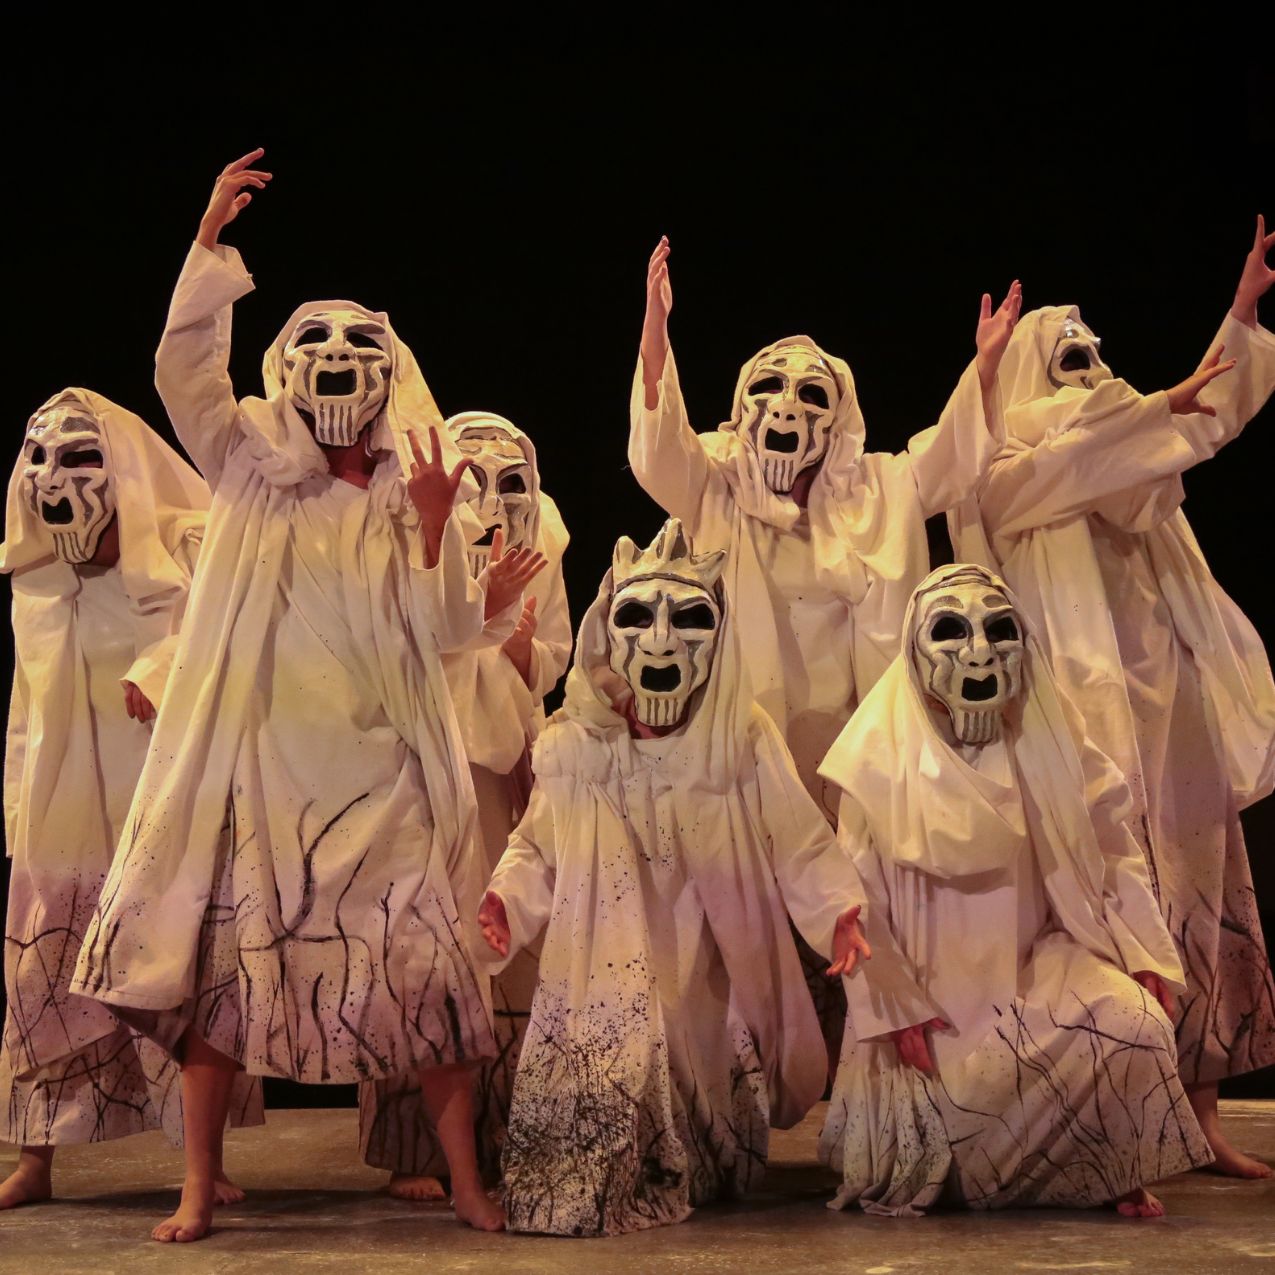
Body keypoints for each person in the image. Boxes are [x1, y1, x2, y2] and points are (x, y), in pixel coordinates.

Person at [70, 150, 543, 1241]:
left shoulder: (404, 495)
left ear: (389, 375)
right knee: (226, 994)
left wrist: (434, 528)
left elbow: (448, 638)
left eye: (358, 343)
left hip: (381, 780)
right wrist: (206, 244)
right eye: (314, 341)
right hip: (266, 777)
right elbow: (183, 373)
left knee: (427, 987)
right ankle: (199, 1183)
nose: (336, 357)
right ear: (285, 367)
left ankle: (467, 1181)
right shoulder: (247, 462)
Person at [949, 216, 1275, 1177]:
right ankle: (1123, 1120)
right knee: (1103, 908)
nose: (1092, 375)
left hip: (1168, 703)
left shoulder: (1132, 459)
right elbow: (1102, 448)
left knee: (1199, 884)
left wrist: (1239, 316)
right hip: (1073, 723)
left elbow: (1194, 421)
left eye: (1095, 357)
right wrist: (1160, 405)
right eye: (1068, 362)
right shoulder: (1005, 475)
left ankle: (1202, 1116)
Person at [478, 518, 870, 1235]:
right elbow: (538, 844)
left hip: (708, 954)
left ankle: (701, 1156)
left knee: (703, 1073)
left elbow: (798, 839)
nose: (660, 640)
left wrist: (838, 908)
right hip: (604, 961)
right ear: (608, 633)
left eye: (687, 619)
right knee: (617, 1073)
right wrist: (506, 898)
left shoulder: (739, 736)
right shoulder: (575, 741)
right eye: (637, 617)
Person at [819, 563, 1212, 1219]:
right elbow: (853, 901)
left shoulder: (1052, 740)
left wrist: (1143, 952)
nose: (977, 652)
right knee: (945, 1144)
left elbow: (1112, 850)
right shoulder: (874, 758)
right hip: (932, 993)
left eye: (997, 630)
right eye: (951, 631)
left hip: (1034, 972)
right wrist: (891, 1006)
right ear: (916, 648)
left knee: (1133, 1024)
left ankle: (1107, 1163)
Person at [1, 388, 262, 1210]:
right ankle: (37, 1158)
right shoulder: (40, 573)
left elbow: (224, 630)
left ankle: (203, 1158)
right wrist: (16, 809)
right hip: (67, 808)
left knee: (171, 972)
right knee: (44, 961)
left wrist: (156, 670)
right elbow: (25, 706)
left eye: (78, 458)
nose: (53, 478)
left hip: (161, 800)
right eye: (39, 457)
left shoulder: (183, 549)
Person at [360, 411, 571, 1198]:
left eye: (507, 481)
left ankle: (507, 1126)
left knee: (505, 936)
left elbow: (547, 656)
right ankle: (417, 1141)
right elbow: (414, 634)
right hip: (427, 753)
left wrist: (512, 613)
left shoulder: (538, 543)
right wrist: (478, 603)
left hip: (501, 755)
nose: (493, 496)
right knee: (421, 938)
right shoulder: (413, 538)